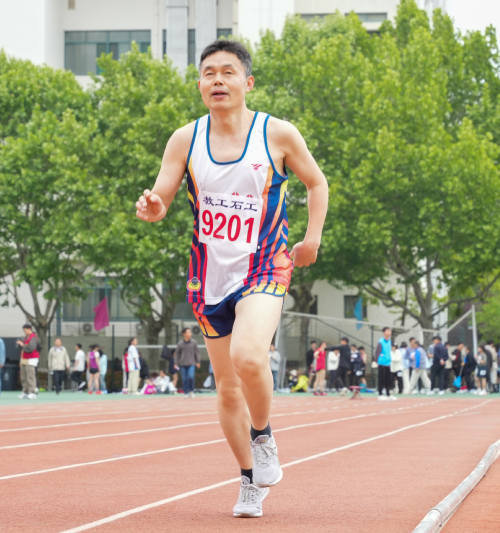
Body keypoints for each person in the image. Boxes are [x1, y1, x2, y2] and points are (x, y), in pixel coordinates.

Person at [134, 39, 328, 518]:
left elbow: (316, 182)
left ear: (248, 82)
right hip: (209, 274)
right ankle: (248, 480)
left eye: (227, 72)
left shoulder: (276, 133)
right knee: (226, 387)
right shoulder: (185, 139)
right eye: (209, 73)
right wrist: (153, 207)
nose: (217, 80)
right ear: (200, 85)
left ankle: (263, 436)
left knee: (248, 354)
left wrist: (312, 239)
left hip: (265, 264)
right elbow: (161, 198)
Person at [174, 328, 200, 398]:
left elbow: (197, 353)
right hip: (183, 364)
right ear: (184, 334)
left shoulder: (194, 342)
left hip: (192, 363)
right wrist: (176, 363)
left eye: (190, 332)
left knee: (190, 377)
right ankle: (186, 392)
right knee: (184, 379)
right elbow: (177, 354)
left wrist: (198, 362)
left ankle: (191, 391)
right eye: (188, 332)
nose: (189, 334)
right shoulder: (180, 343)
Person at [16, 324, 39, 399]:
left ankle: (32, 392)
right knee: (24, 377)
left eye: (25, 330)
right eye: (23, 331)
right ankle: (25, 392)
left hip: (31, 360)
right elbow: (23, 349)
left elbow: (31, 348)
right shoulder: (26, 338)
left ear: (29, 329)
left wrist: (22, 345)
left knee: (30, 376)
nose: (24, 332)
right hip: (24, 359)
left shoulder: (33, 337)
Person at [375, 327, 394, 401]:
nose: (389, 332)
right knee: (381, 379)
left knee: (388, 380)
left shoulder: (389, 341)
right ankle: (380, 394)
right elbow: (377, 352)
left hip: (388, 363)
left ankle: (388, 394)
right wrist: (377, 362)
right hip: (382, 363)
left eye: (390, 331)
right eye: (387, 331)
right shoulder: (381, 341)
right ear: (384, 332)